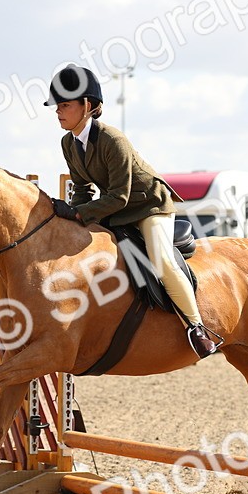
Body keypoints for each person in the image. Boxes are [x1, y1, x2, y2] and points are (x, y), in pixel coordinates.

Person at [45, 64, 220, 358]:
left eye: (64, 105)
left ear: (87, 106)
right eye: (56, 106)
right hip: (115, 208)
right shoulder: (68, 143)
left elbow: (120, 196)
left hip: (149, 206)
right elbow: (84, 189)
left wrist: (79, 214)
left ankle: (197, 328)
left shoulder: (113, 140)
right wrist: (67, 215)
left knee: (162, 262)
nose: (58, 112)